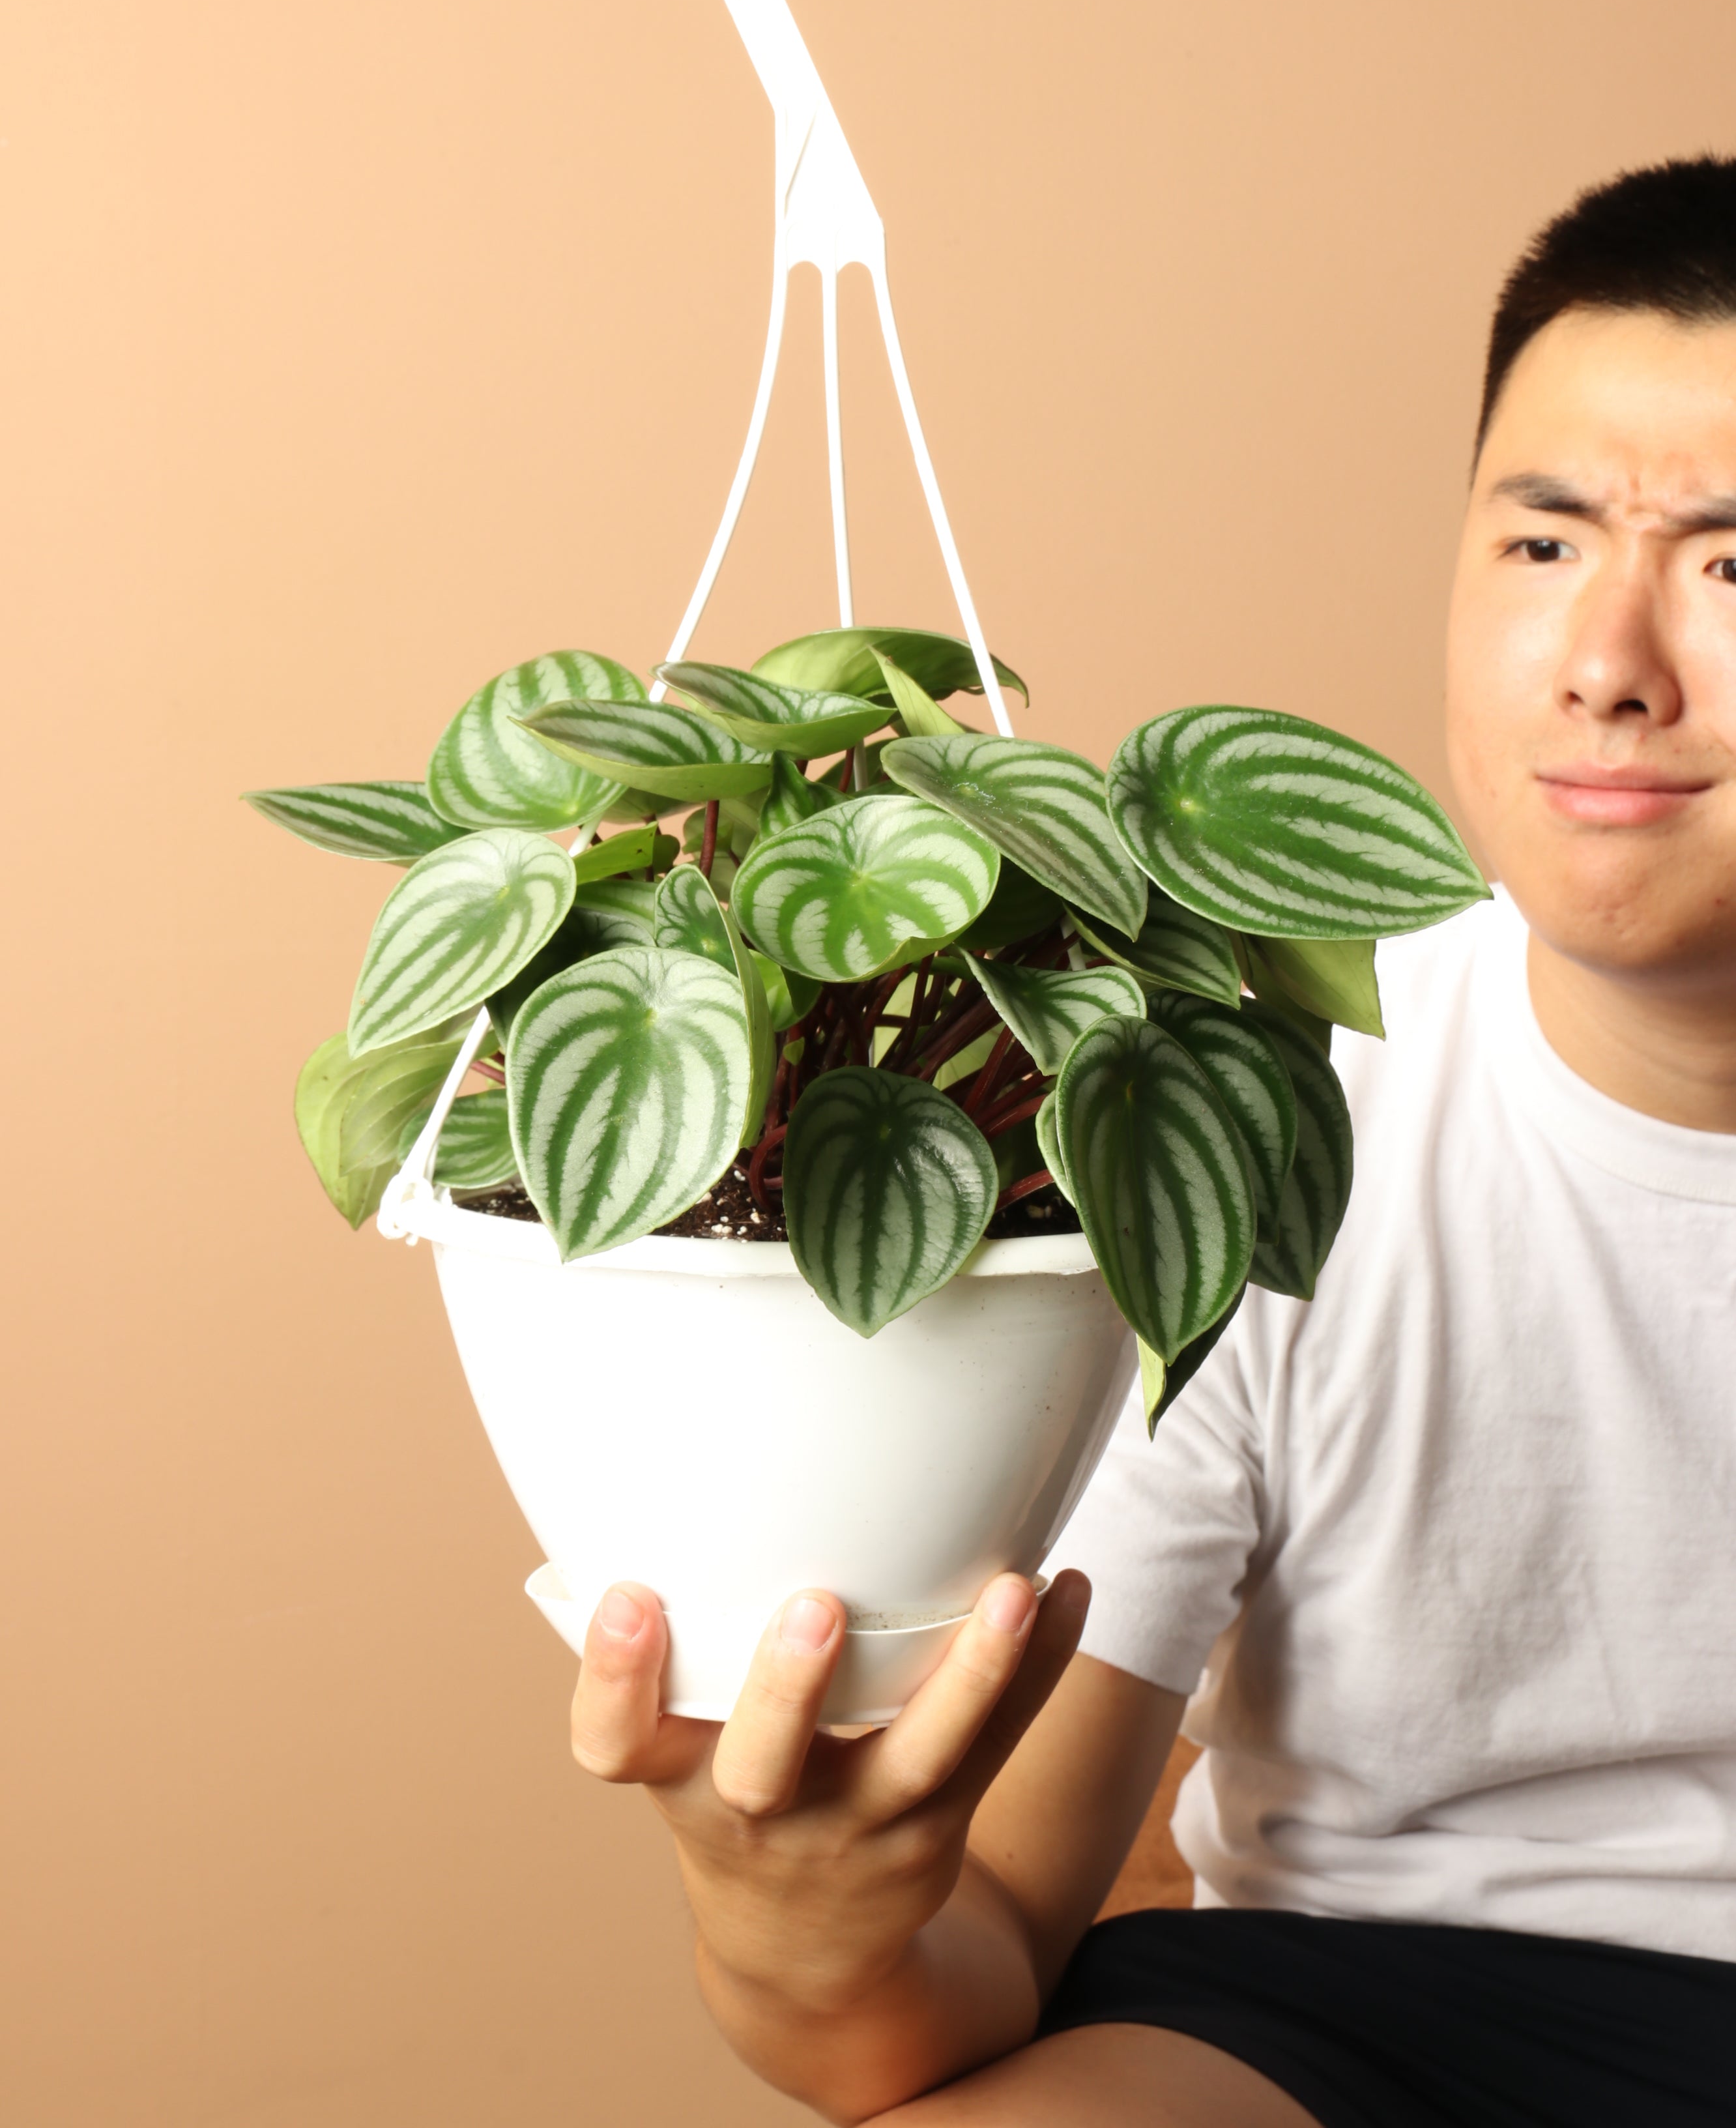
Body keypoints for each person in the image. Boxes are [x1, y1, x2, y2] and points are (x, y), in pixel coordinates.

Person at [568, 158, 1736, 2126]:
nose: (1606, 662)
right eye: (1541, 547)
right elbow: (966, 1972)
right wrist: (799, 1922)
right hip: (1344, 2005)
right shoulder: (1257, 1113)